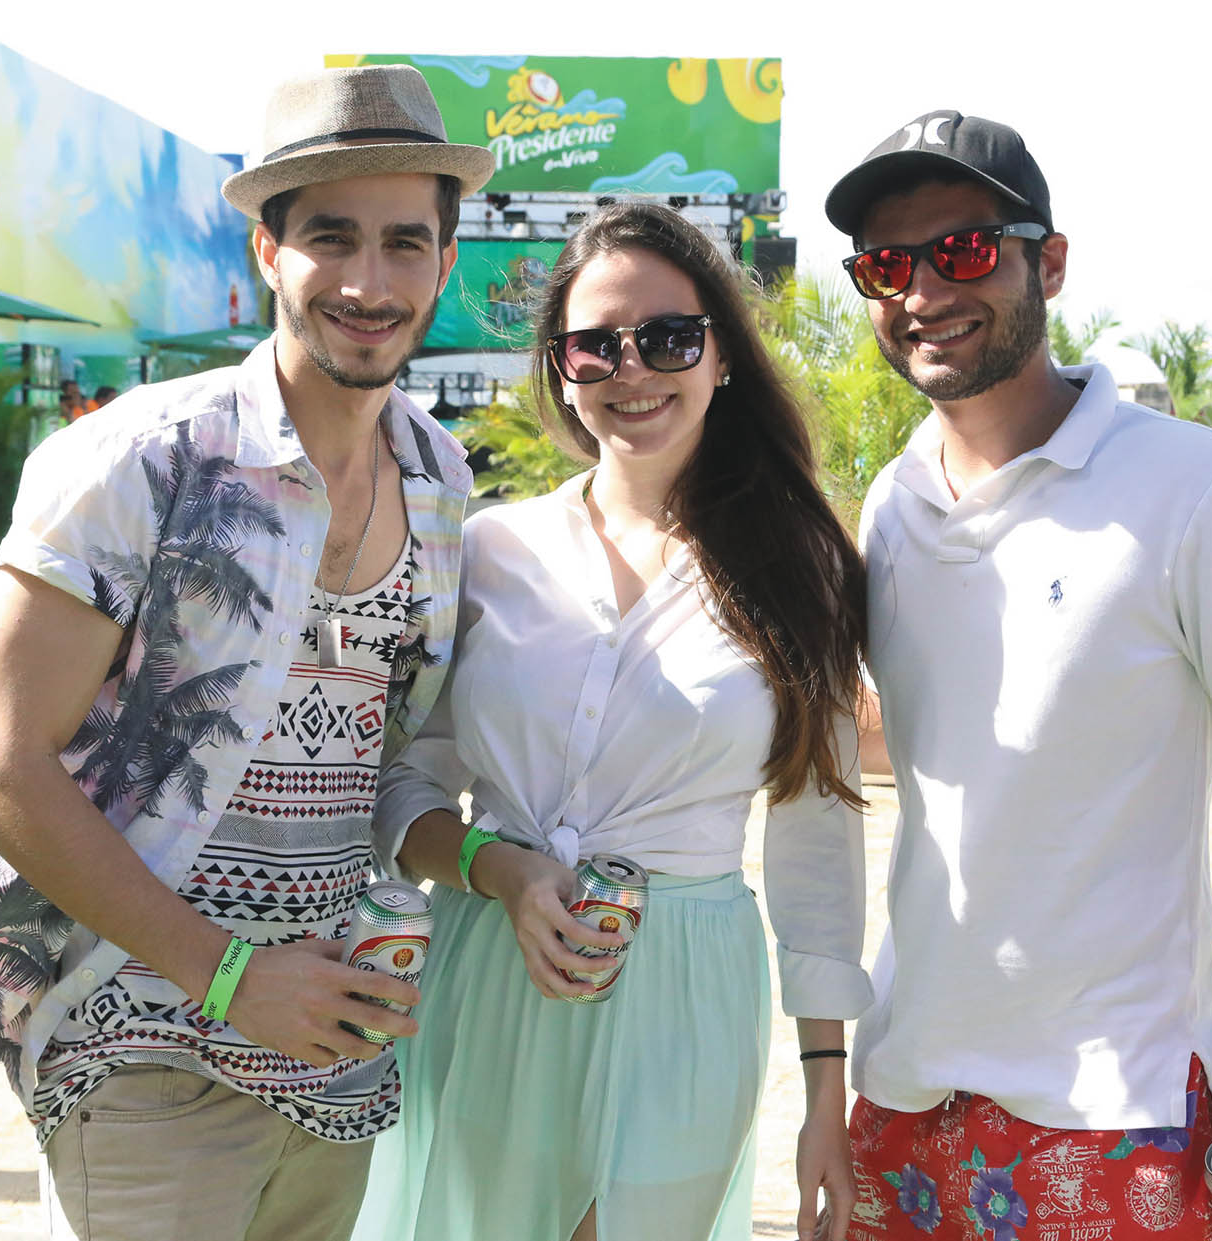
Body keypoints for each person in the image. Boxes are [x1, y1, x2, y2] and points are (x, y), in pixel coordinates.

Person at [0, 64, 492, 1241]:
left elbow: (392, 751)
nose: (369, 282)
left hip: (333, 1047)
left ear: (442, 261)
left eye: (404, 243)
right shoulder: (142, 460)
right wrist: (227, 973)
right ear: (267, 252)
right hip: (144, 1038)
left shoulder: (438, 476)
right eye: (331, 236)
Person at [824, 111, 1212, 1241]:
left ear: (1049, 262)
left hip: (1116, 1106)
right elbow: (935, 742)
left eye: (962, 248)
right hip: (904, 1089)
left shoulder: (1193, 486)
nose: (922, 286)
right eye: (886, 263)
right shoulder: (894, 502)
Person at [352, 202, 873, 1241]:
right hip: (487, 959)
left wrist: (825, 1089)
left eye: (669, 337)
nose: (632, 369)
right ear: (559, 367)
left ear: (720, 353)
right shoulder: (489, 549)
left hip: (685, 986)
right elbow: (401, 785)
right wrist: (496, 869)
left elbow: (818, 838)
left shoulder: (800, 566)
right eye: (596, 344)